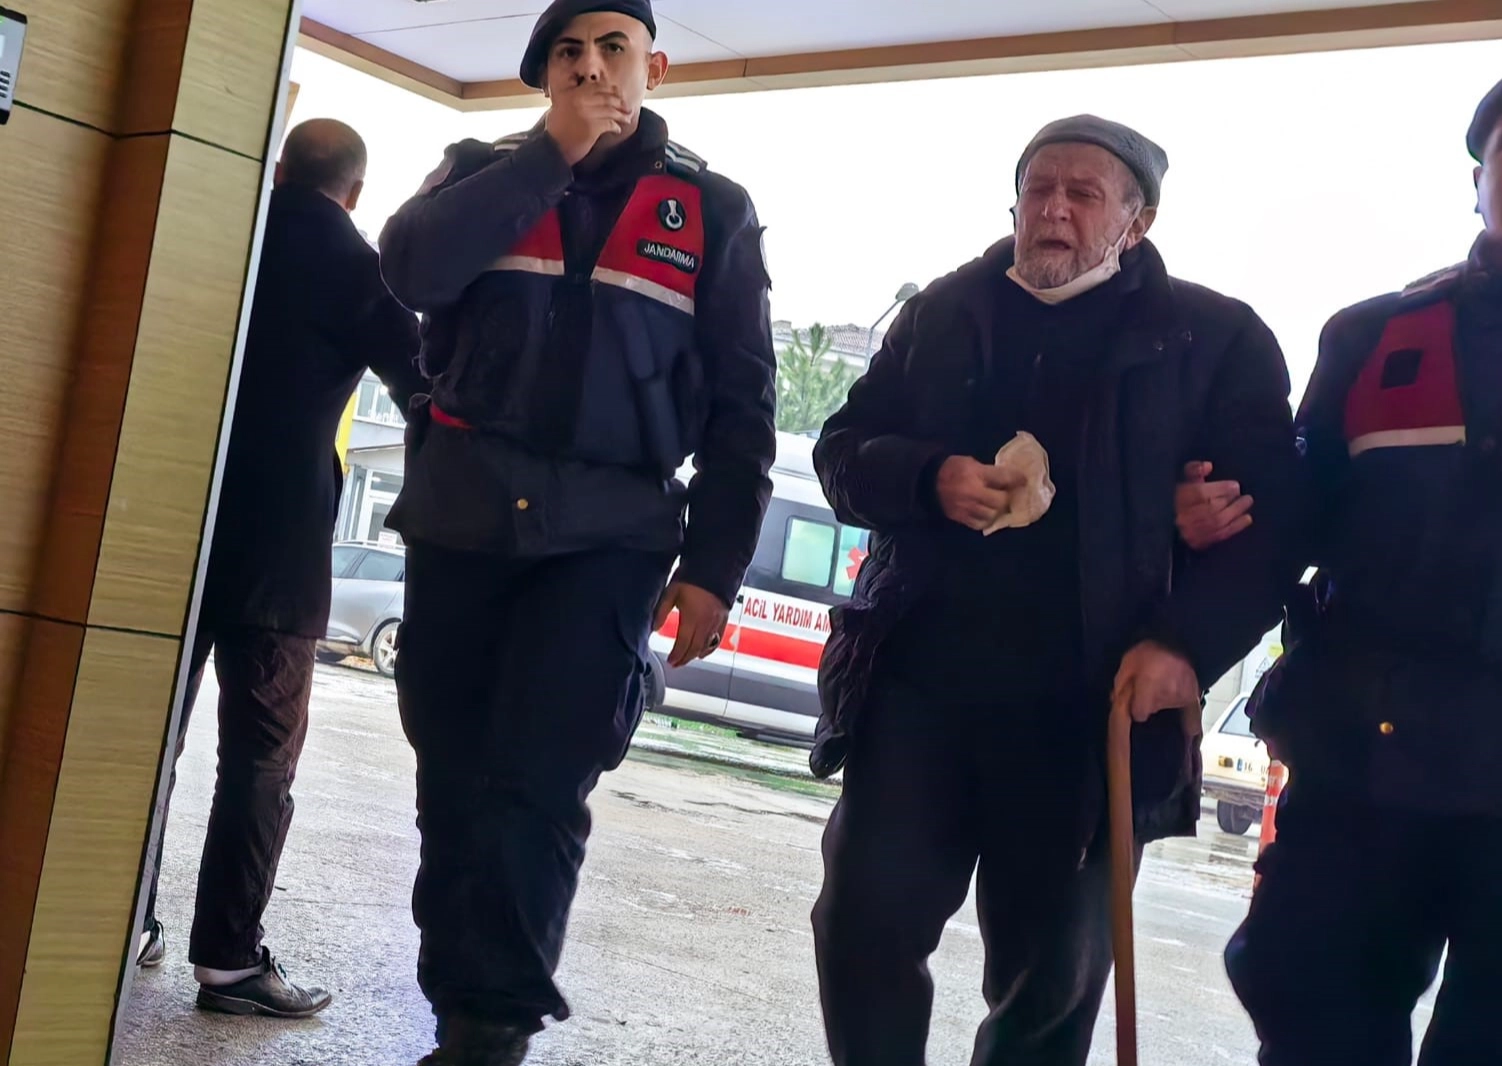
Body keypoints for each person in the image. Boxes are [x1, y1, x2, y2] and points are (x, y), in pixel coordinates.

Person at [807, 114, 1302, 1066]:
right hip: (919, 690)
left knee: (1050, 977)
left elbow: (1270, 529)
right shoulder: (945, 311)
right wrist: (928, 477)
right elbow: (840, 455)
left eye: (1084, 194)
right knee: (861, 927)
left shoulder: (1215, 340)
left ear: (1136, 222)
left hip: (1093, 706)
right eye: (1039, 188)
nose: (1055, 211)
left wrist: (1186, 643)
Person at [376, 2, 776, 1062]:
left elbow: (744, 407)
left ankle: (487, 1033)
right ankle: (458, 1004)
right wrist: (545, 158)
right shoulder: (479, 172)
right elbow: (411, 271)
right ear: (544, 74)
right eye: (567, 51)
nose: (590, 68)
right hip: (464, 517)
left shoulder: (713, 209)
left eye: (611, 48)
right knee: (453, 776)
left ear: (655, 67)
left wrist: (714, 567)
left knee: (539, 782)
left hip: (611, 535)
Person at [1222, 56, 1502, 1066]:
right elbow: (1283, 528)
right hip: (1360, 773)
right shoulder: (1371, 336)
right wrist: (1187, 618)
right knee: (1308, 1015)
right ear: (1477, 178)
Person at [138, 118, 427, 1017]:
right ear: (355, 191)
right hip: (279, 547)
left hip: (167, 522)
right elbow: (426, 389)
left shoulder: (223, 232)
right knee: (260, 760)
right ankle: (228, 963)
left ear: (277, 172)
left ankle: (121, 916)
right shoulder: (362, 267)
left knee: (143, 740)